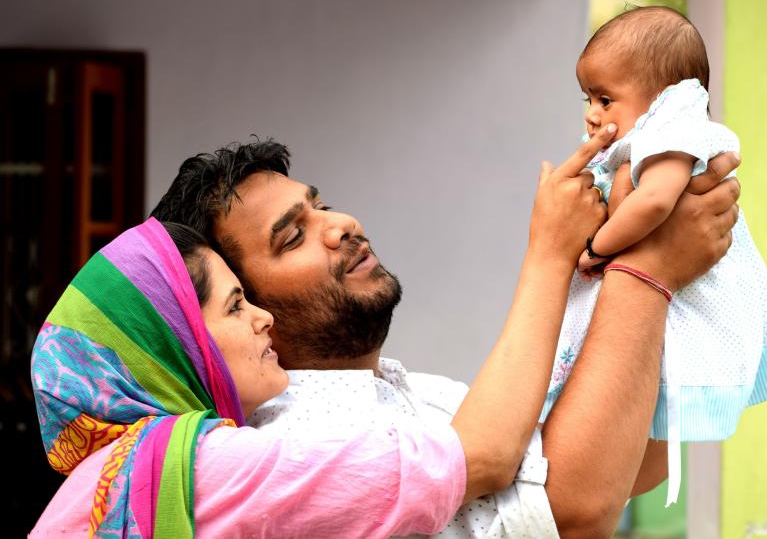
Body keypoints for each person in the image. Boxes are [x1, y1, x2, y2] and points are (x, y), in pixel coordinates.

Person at [151, 128, 740, 537]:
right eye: (293, 237)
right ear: (246, 307)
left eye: (320, 205)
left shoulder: (415, 391)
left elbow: (629, 466)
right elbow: (570, 513)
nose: (340, 225)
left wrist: (666, 265)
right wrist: (634, 270)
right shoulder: (296, 441)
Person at [29, 156, 607, 539]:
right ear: (181, 350)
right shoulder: (225, 464)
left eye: (320, 205)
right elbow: (522, 477)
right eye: (235, 305)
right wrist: (556, 253)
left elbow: (611, 464)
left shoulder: (139, 473)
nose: (262, 321)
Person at [542, 6, 767, 506]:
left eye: (605, 98)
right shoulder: (642, 140)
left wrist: (598, 248)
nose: (592, 113)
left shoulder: (674, 134)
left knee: (638, 398)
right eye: (588, 98)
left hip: (685, 293)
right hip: (651, 280)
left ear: (665, 98)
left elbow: (655, 201)